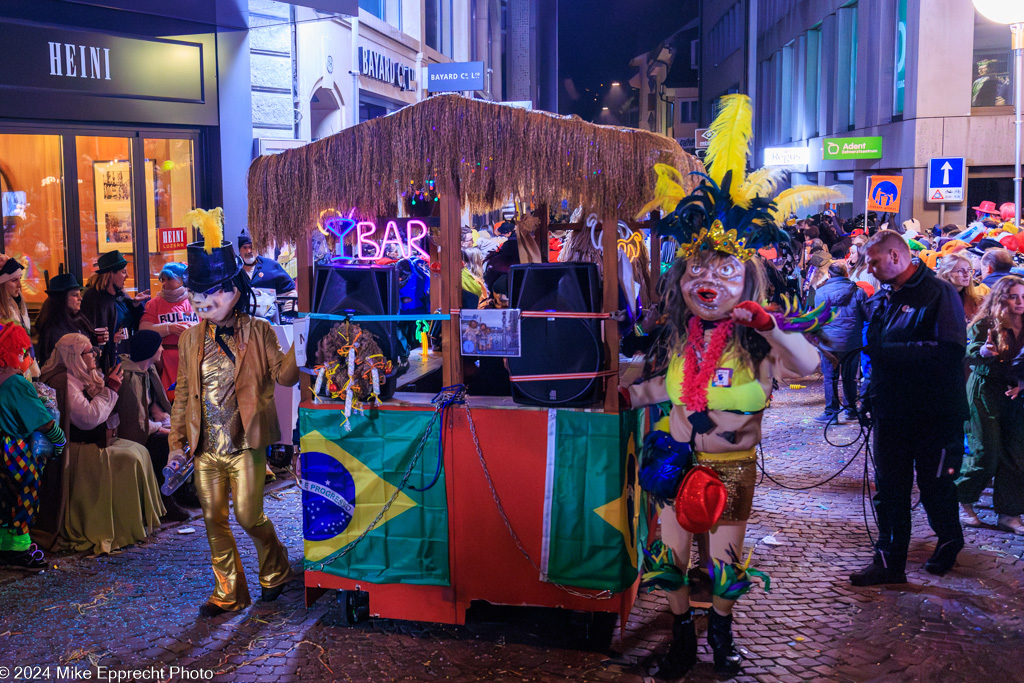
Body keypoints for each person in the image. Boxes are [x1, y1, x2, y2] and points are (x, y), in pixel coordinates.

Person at [626, 94, 822, 679]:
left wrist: (770, 325)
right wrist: (624, 396)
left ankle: (723, 636)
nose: (707, 280)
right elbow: (665, 387)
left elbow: (809, 365)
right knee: (669, 558)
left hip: (732, 466)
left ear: (748, 280)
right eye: (697, 270)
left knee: (726, 560)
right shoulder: (682, 335)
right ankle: (682, 635)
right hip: (677, 459)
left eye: (724, 270)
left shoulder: (759, 340)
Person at [168, 208, 297, 618]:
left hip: (246, 444)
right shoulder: (190, 339)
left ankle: (275, 568)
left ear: (235, 289)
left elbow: (285, 376)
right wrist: (176, 444)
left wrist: (305, 345)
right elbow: (184, 395)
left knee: (248, 514)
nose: (204, 300)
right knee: (212, 520)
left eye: (214, 292)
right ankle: (228, 592)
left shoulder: (258, 332)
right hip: (205, 447)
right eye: (197, 293)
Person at [851, 231, 968, 586]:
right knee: (889, 489)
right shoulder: (889, 296)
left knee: (935, 486)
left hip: (934, 414)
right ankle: (889, 563)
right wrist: (869, 395)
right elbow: (879, 352)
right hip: (892, 411)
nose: (869, 269)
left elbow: (950, 349)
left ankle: (949, 539)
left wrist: (890, 355)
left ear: (895, 256)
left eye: (873, 262)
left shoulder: (939, 292)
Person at [39, 333, 164, 554]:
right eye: (90, 352)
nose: (95, 355)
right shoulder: (63, 381)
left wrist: (102, 387)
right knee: (129, 458)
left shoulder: (81, 376)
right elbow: (88, 419)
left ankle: (135, 523)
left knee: (140, 451)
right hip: (76, 448)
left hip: (93, 440)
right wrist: (111, 390)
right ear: (75, 356)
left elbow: (108, 417)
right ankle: (114, 526)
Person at [956, 276, 1024, 534]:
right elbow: (969, 350)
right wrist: (982, 353)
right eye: (1014, 296)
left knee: (1016, 453)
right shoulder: (985, 323)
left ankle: (1009, 513)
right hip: (985, 390)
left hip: (1015, 393)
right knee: (986, 452)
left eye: (1023, 296)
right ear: (1001, 298)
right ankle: (961, 497)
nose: (1020, 302)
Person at [0, 322, 66, 570]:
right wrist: (59, 440)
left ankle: (5, 546)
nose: (27, 357)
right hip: (14, 449)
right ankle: (20, 549)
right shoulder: (16, 383)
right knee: (26, 493)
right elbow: (43, 421)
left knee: (5, 499)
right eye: (22, 351)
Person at [115, 330, 190, 522]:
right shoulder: (130, 378)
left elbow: (153, 405)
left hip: (150, 424)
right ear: (150, 350)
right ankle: (165, 499)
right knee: (165, 444)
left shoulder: (147, 371)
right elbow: (133, 420)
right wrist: (162, 428)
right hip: (133, 433)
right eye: (159, 346)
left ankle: (184, 491)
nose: (162, 349)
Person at [810, 262, 868, 423]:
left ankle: (831, 412)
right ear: (846, 274)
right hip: (851, 342)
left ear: (830, 275)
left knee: (830, 377)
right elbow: (866, 316)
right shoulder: (858, 292)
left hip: (829, 342)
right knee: (850, 377)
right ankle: (850, 410)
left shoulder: (820, 292)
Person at [81, 250, 150, 372]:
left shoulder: (121, 296)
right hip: (108, 362)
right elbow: (88, 334)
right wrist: (111, 339)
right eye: (123, 272)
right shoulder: (93, 298)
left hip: (127, 356)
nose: (127, 276)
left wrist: (135, 304)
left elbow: (137, 323)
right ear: (111, 274)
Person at [139, 262, 197, 398]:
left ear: (183, 279)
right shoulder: (154, 303)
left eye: (169, 279)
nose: (165, 283)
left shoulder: (195, 300)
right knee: (168, 398)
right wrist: (169, 328)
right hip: (164, 360)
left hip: (193, 356)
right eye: (163, 279)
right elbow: (143, 329)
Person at [936, 252, 987, 321]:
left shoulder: (977, 301)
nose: (966, 274)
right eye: (960, 271)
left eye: (968, 270)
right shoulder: (936, 300)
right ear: (946, 274)